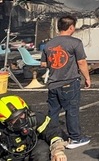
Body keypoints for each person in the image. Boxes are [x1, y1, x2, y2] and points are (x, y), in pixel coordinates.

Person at [42, 14, 91, 150]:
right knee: (72, 110)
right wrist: (87, 77)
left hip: (53, 83)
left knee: (53, 112)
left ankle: (52, 137)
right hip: (69, 82)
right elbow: (81, 62)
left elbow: (43, 64)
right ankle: (75, 138)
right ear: (71, 27)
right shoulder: (75, 43)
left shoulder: (49, 44)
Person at [0, 95, 68, 161]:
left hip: (32, 150)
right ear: (4, 123)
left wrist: (58, 151)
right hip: (10, 157)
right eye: (14, 120)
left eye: (22, 115)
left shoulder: (34, 118)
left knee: (42, 149)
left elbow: (53, 132)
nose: (21, 121)